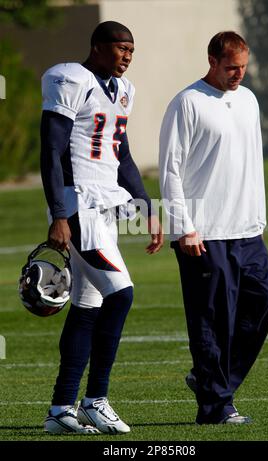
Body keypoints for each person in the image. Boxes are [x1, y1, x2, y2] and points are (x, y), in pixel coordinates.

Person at [40, 21, 163, 435]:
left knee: (87, 305)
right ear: (97, 47)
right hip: (80, 205)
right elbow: (51, 149)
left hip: (107, 206)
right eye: (120, 47)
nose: (127, 55)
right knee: (122, 293)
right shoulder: (70, 78)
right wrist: (59, 213)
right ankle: (95, 399)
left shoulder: (123, 90)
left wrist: (146, 205)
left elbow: (122, 154)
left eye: (132, 49)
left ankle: (60, 410)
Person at [159, 31, 268, 425]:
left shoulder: (248, 99)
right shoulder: (187, 102)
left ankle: (211, 380)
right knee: (213, 320)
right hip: (204, 234)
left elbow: (251, 165)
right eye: (231, 67)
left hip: (247, 230)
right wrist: (184, 228)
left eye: (243, 67)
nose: (238, 74)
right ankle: (215, 406)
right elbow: (170, 170)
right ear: (212, 60)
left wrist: (257, 221)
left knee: (265, 301)